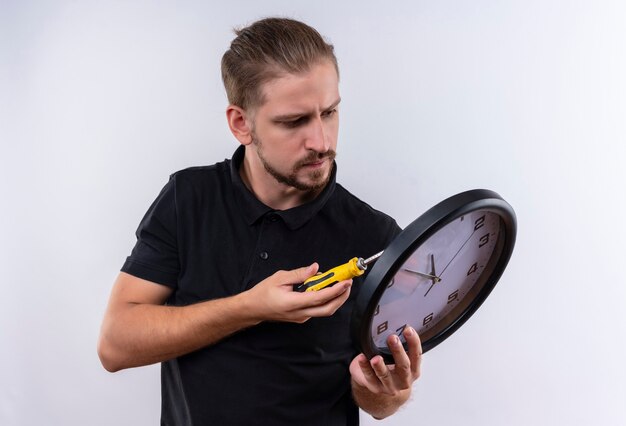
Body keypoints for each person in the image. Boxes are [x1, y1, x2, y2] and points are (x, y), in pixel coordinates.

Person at [98, 17, 422, 425]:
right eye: (294, 121)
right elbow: (115, 345)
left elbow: (379, 403)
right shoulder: (189, 198)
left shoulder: (375, 236)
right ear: (241, 124)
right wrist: (251, 307)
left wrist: (385, 391)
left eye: (330, 112)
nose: (321, 142)